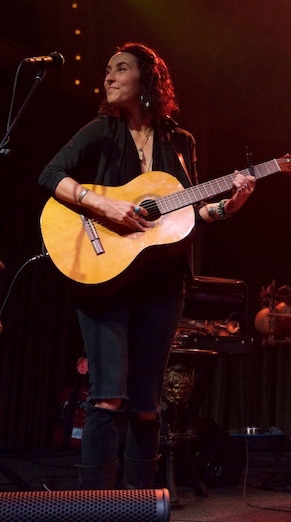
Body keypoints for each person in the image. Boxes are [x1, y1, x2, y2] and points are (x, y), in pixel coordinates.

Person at [38, 42, 256, 489]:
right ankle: (94, 508)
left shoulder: (180, 142)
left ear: (147, 80)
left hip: (160, 284)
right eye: (108, 69)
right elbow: (50, 174)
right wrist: (103, 206)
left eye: (121, 68)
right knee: (107, 400)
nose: (110, 77)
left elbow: (189, 212)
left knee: (147, 406)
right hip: (104, 279)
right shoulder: (100, 129)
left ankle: (139, 503)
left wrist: (229, 207)